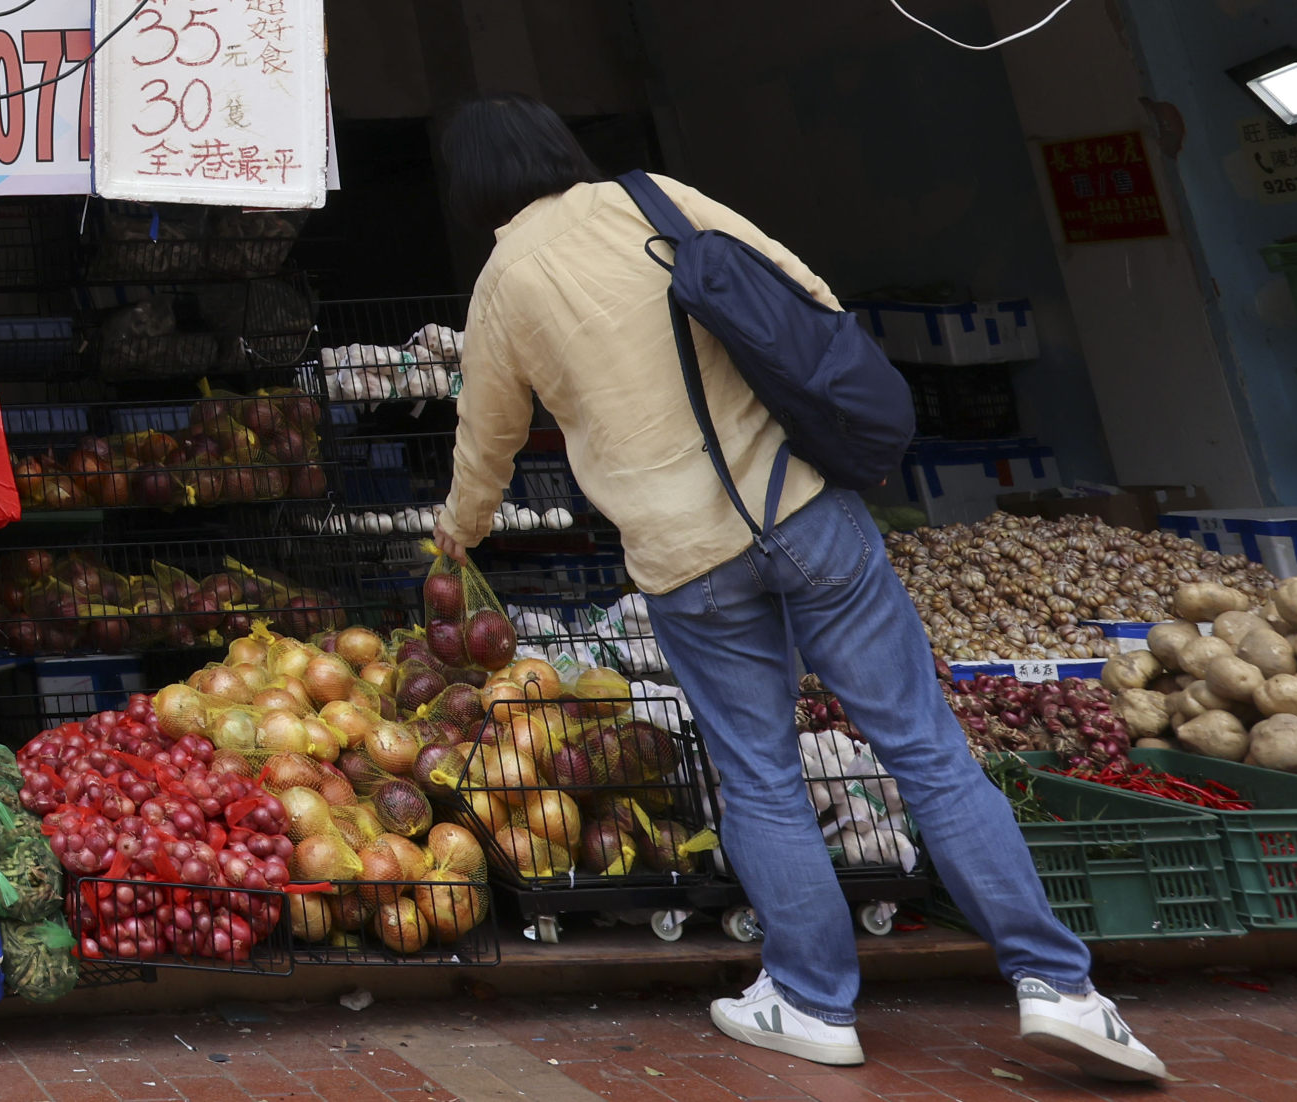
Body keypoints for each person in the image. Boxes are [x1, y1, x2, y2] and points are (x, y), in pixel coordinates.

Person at [432, 97, 1167, 1082]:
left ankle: (814, 1004)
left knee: (760, 777)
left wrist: (456, 535)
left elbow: (490, 441)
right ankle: (1061, 989)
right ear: (560, 150)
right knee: (928, 750)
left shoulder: (504, 283)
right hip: (803, 511)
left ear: (471, 187)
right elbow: (804, 295)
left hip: (683, 562)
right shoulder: (655, 200)